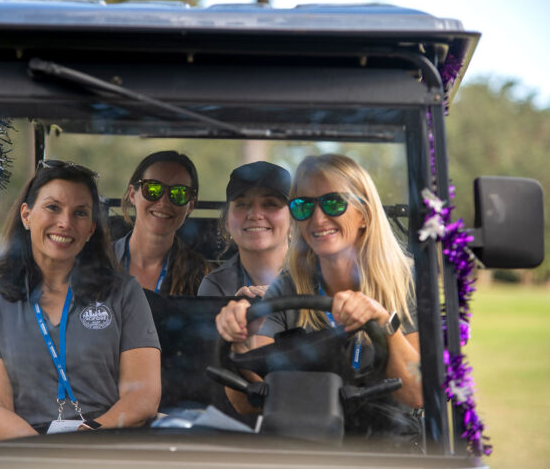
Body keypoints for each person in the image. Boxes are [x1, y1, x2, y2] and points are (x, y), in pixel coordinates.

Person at [0, 160, 161, 441]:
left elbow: (142, 396)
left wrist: (87, 438)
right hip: (22, 454)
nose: (65, 223)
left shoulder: (124, 293)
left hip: (104, 445)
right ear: (26, 215)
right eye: (53, 207)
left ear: (91, 228)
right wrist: (45, 457)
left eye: (80, 213)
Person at [215, 153, 422, 415]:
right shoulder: (287, 288)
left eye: (334, 203)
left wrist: (383, 322)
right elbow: (250, 403)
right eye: (303, 206)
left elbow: (417, 394)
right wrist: (241, 343)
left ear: (364, 215)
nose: (318, 218)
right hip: (305, 443)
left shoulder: (406, 283)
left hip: (385, 446)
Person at [114, 151, 210, 295]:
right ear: (133, 195)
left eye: (179, 193)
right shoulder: (97, 265)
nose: (164, 202)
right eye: (153, 189)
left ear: (190, 205)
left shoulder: (202, 277)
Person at [197, 161, 291, 298]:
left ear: (294, 221)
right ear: (226, 222)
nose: (255, 215)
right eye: (242, 204)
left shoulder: (318, 276)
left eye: (270, 204)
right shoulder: (215, 286)